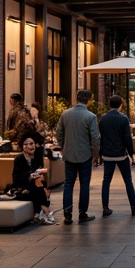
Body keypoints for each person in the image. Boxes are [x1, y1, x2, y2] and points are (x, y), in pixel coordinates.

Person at [55, 89, 100, 224]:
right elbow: (95, 138)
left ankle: (67, 214)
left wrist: (63, 147)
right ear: (89, 100)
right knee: (84, 184)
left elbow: (59, 133)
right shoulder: (90, 116)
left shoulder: (65, 114)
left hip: (69, 154)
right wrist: (95, 155)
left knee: (68, 184)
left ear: (77, 98)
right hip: (85, 155)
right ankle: (82, 213)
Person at [98, 95, 135, 217]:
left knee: (106, 181)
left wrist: (99, 154)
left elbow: (99, 138)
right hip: (121, 155)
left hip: (107, 154)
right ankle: (134, 206)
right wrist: (131, 154)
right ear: (120, 105)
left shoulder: (103, 119)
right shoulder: (123, 119)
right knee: (128, 180)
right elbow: (127, 138)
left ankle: (105, 207)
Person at [10, 137, 57, 225]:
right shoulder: (19, 159)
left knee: (43, 189)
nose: (30, 146)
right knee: (38, 191)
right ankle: (44, 210)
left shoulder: (36, 158)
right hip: (20, 187)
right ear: (23, 147)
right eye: (27, 144)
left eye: (32, 143)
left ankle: (39, 213)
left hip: (34, 186)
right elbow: (19, 179)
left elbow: (39, 177)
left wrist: (40, 174)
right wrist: (31, 176)